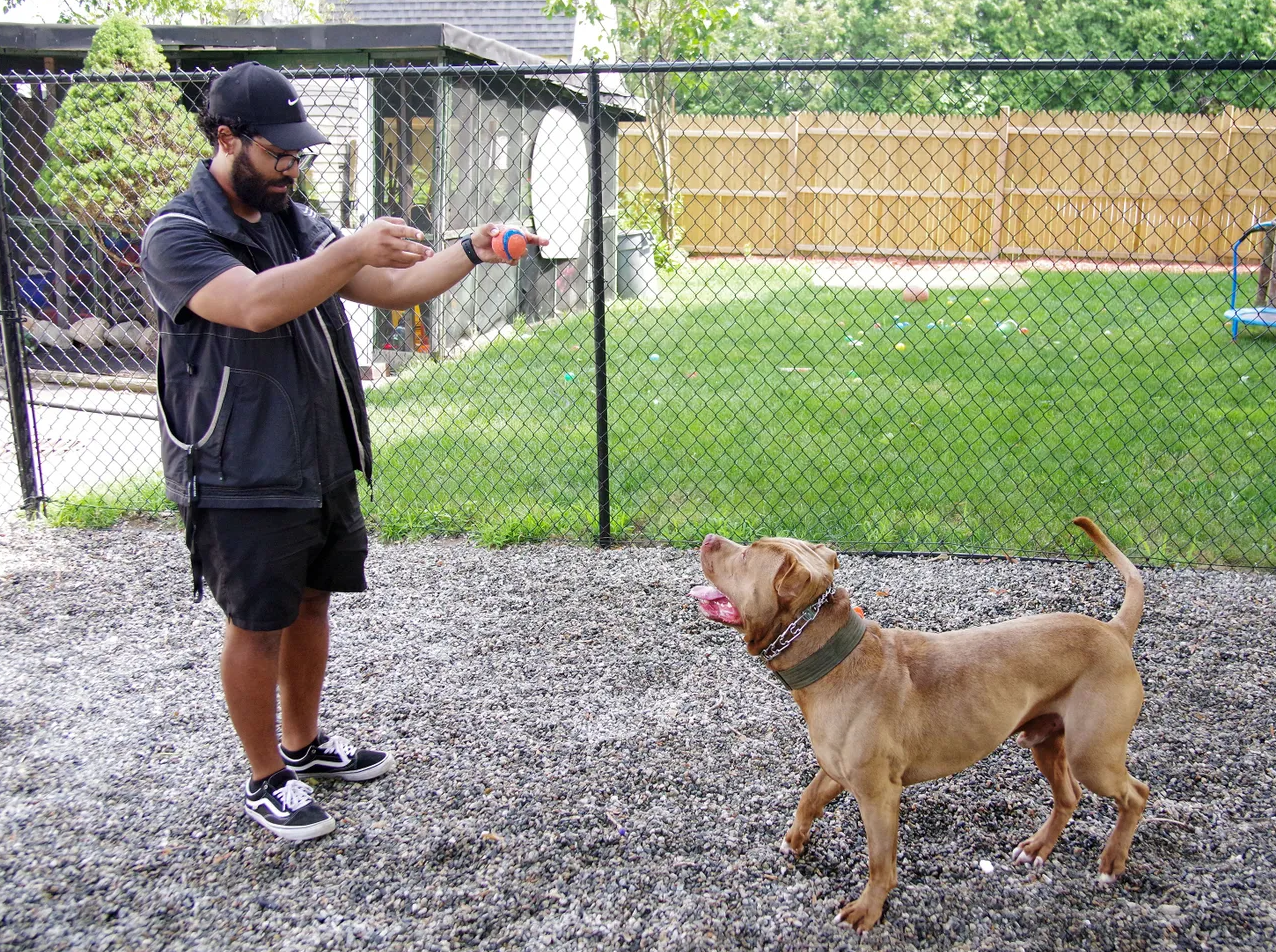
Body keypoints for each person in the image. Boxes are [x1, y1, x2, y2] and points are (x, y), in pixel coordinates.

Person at [140, 61, 546, 841]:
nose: (293, 166)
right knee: (257, 622)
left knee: (312, 601)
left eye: (301, 155)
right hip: (238, 466)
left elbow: (391, 289)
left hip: (316, 453)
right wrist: (351, 247)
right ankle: (266, 778)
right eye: (278, 153)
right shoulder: (180, 232)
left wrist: (472, 248)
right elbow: (257, 305)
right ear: (226, 140)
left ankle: (304, 743)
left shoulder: (295, 219)